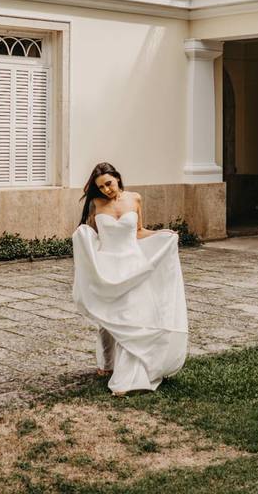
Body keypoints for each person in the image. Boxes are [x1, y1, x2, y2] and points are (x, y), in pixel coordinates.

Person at [71, 161, 188, 395]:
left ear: (117, 177)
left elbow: (138, 232)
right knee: (108, 317)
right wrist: (83, 242)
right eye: (101, 187)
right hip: (108, 267)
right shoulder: (96, 204)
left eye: (108, 183)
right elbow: (92, 234)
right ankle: (107, 363)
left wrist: (162, 234)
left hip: (133, 265)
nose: (106, 189)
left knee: (131, 317)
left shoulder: (135, 198)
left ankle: (130, 374)